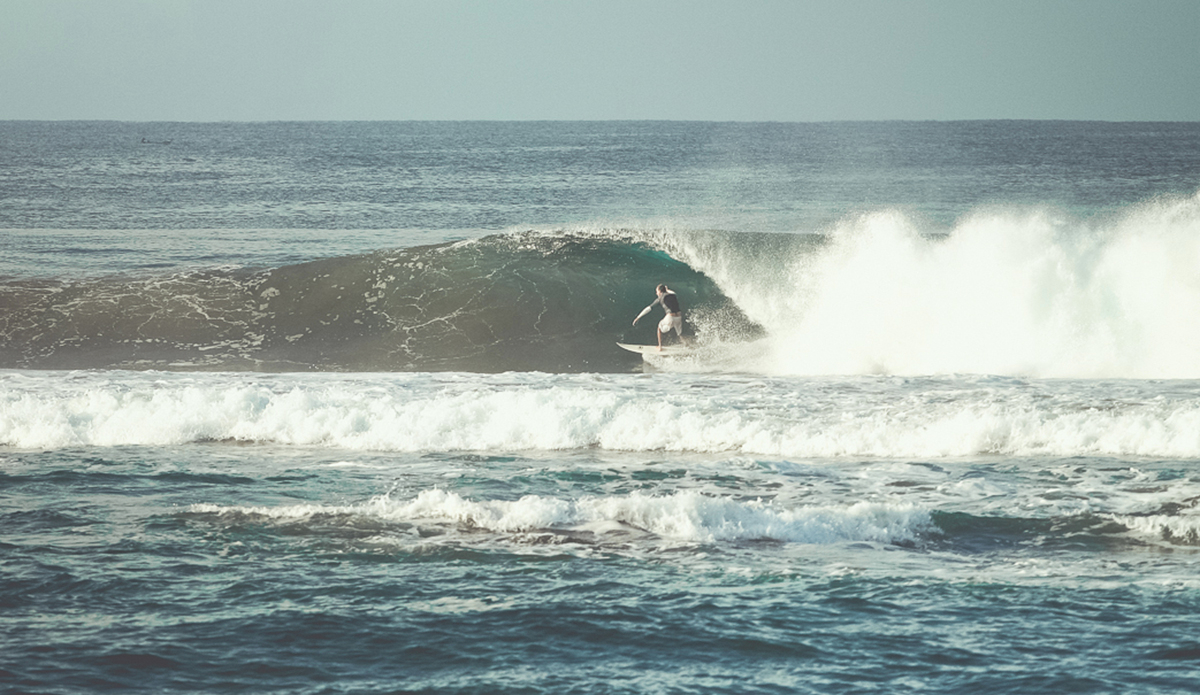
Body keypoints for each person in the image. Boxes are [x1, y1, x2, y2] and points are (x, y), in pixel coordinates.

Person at [632, 284, 685, 350]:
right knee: (679, 334)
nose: (656, 293)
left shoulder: (660, 298)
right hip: (678, 317)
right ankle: (686, 345)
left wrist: (638, 317)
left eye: (657, 291)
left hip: (670, 317)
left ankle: (659, 346)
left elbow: (649, 308)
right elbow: (673, 292)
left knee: (659, 328)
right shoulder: (673, 295)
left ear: (660, 291)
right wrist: (667, 290)